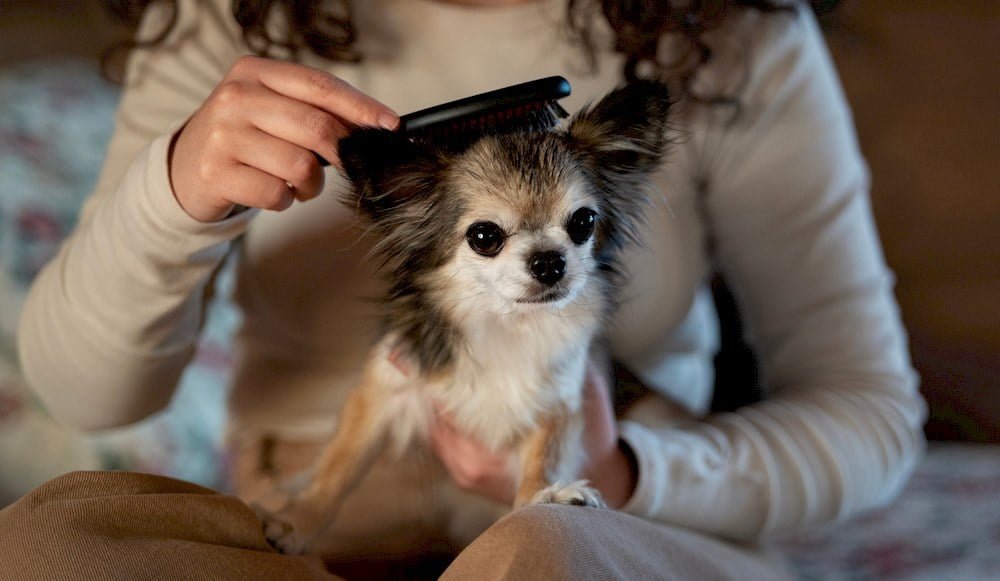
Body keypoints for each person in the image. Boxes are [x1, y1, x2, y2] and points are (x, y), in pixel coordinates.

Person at [3, 0, 926, 578]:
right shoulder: (233, 16)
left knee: (547, 549)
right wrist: (171, 196)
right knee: (47, 545)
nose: (549, 254)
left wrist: (627, 471)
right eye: (490, 234)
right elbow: (85, 392)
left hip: (603, 526)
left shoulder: (734, 26)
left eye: (576, 228)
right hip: (315, 527)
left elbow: (873, 415)